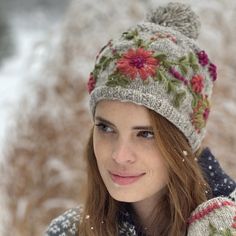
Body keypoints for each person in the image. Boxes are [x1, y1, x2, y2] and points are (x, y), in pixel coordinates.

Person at [45, 2, 236, 236]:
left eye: (146, 134)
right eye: (106, 128)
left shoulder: (227, 225)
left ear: (181, 142)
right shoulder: (70, 232)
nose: (119, 155)